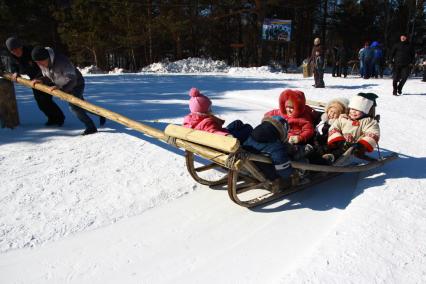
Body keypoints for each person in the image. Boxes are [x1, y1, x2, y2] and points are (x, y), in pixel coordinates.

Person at [30, 46, 105, 135]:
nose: (40, 65)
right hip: (63, 85)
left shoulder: (62, 61)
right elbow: (49, 76)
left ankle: (91, 127)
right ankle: (100, 114)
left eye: (41, 62)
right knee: (81, 105)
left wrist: (62, 90)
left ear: (47, 58)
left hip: (76, 84)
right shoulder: (43, 63)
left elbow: (73, 80)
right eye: (37, 63)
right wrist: (41, 80)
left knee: (74, 107)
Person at [5, 37, 65, 126]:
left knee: (46, 100)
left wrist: (40, 78)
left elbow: (44, 65)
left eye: (17, 49)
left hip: (46, 76)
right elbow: (14, 66)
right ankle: (52, 118)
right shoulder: (13, 57)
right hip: (33, 80)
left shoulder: (32, 51)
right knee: (40, 102)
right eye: (12, 51)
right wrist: (15, 72)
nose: (15, 52)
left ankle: (59, 119)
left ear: (20, 46)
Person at [324, 93, 380, 163]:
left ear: (365, 112)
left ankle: (330, 158)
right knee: (324, 146)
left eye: (357, 110)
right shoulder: (343, 118)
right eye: (352, 109)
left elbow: (373, 132)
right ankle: (314, 155)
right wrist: (338, 140)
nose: (353, 112)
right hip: (339, 142)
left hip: (353, 147)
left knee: (342, 152)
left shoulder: (368, 121)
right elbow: (334, 128)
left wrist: (361, 145)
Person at [183, 87, 252, 142]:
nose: (211, 110)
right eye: (209, 108)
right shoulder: (207, 123)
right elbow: (214, 133)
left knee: (237, 122)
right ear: (203, 111)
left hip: (213, 135)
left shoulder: (189, 120)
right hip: (226, 140)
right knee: (248, 128)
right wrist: (227, 135)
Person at [243, 116, 294, 187]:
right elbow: (282, 164)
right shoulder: (275, 146)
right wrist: (288, 176)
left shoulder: (253, 134)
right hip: (266, 171)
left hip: (247, 161)